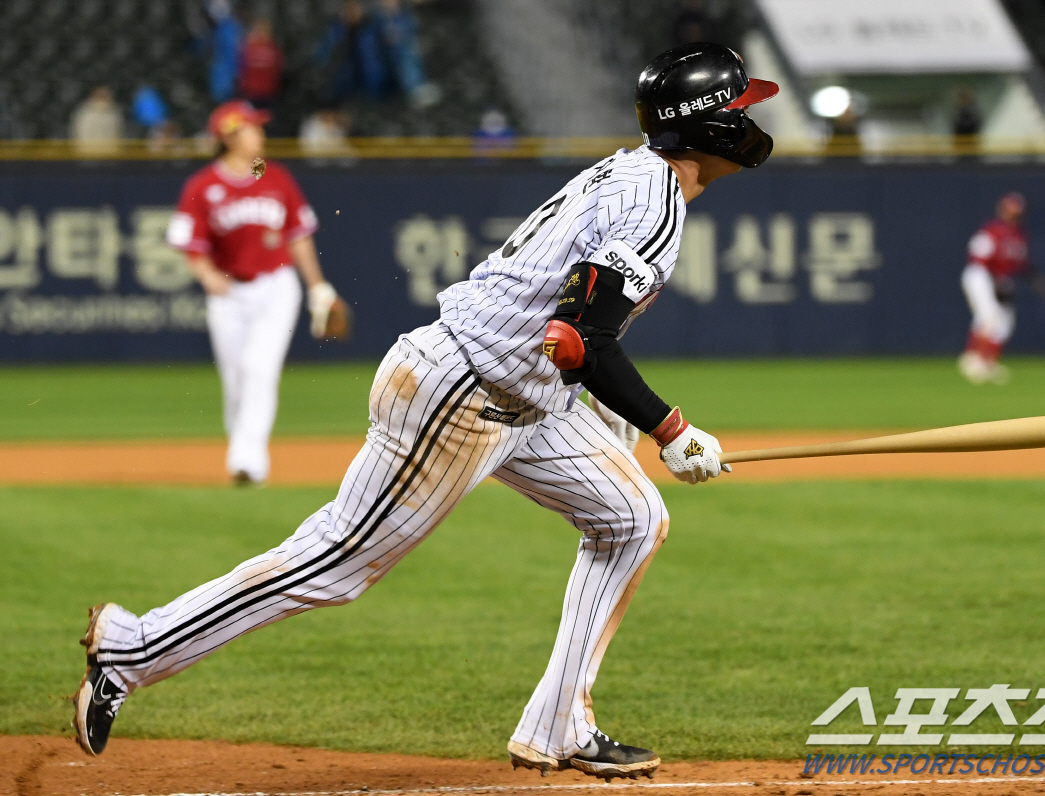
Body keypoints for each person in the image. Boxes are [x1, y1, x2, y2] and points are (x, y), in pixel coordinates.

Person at [73, 43, 778, 782]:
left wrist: (612, 417)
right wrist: (670, 428)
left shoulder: (635, 174)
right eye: (738, 105)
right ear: (706, 126)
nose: (748, 116)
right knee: (335, 561)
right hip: (462, 391)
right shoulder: (653, 201)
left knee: (631, 519)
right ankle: (132, 648)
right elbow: (574, 336)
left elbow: (561, 326)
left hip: (520, 394)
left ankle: (559, 725)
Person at [164, 100, 344, 483]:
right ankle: (243, 450)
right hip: (228, 294)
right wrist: (207, 275)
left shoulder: (274, 177)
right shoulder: (204, 185)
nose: (259, 134)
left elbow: (299, 237)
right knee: (236, 381)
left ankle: (248, 463)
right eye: (251, 128)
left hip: (277, 288)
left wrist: (317, 285)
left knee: (258, 370)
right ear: (228, 137)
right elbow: (188, 243)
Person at [958, 192, 1045, 385]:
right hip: (981, 275)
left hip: (1001, 278)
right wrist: (994, 282)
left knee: (1004, 322)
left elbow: (1021, 264)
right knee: (988, 315)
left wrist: (1033, 278)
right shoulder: (993, 230)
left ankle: (987, 362)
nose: (1014, 214)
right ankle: (974, 361)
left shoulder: (1020, 235)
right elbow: (978, 259)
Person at [239, 17, 284, 108]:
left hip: (260, 92)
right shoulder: (272, 48)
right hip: (260, 92)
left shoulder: (250, 47)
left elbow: (242, 69)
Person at [71, 86, 123, 155]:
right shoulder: (85, 114)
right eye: (101, 96)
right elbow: (79, 135)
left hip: (108, 156)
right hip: (90, 155)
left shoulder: (114, 114)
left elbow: (118, 135)